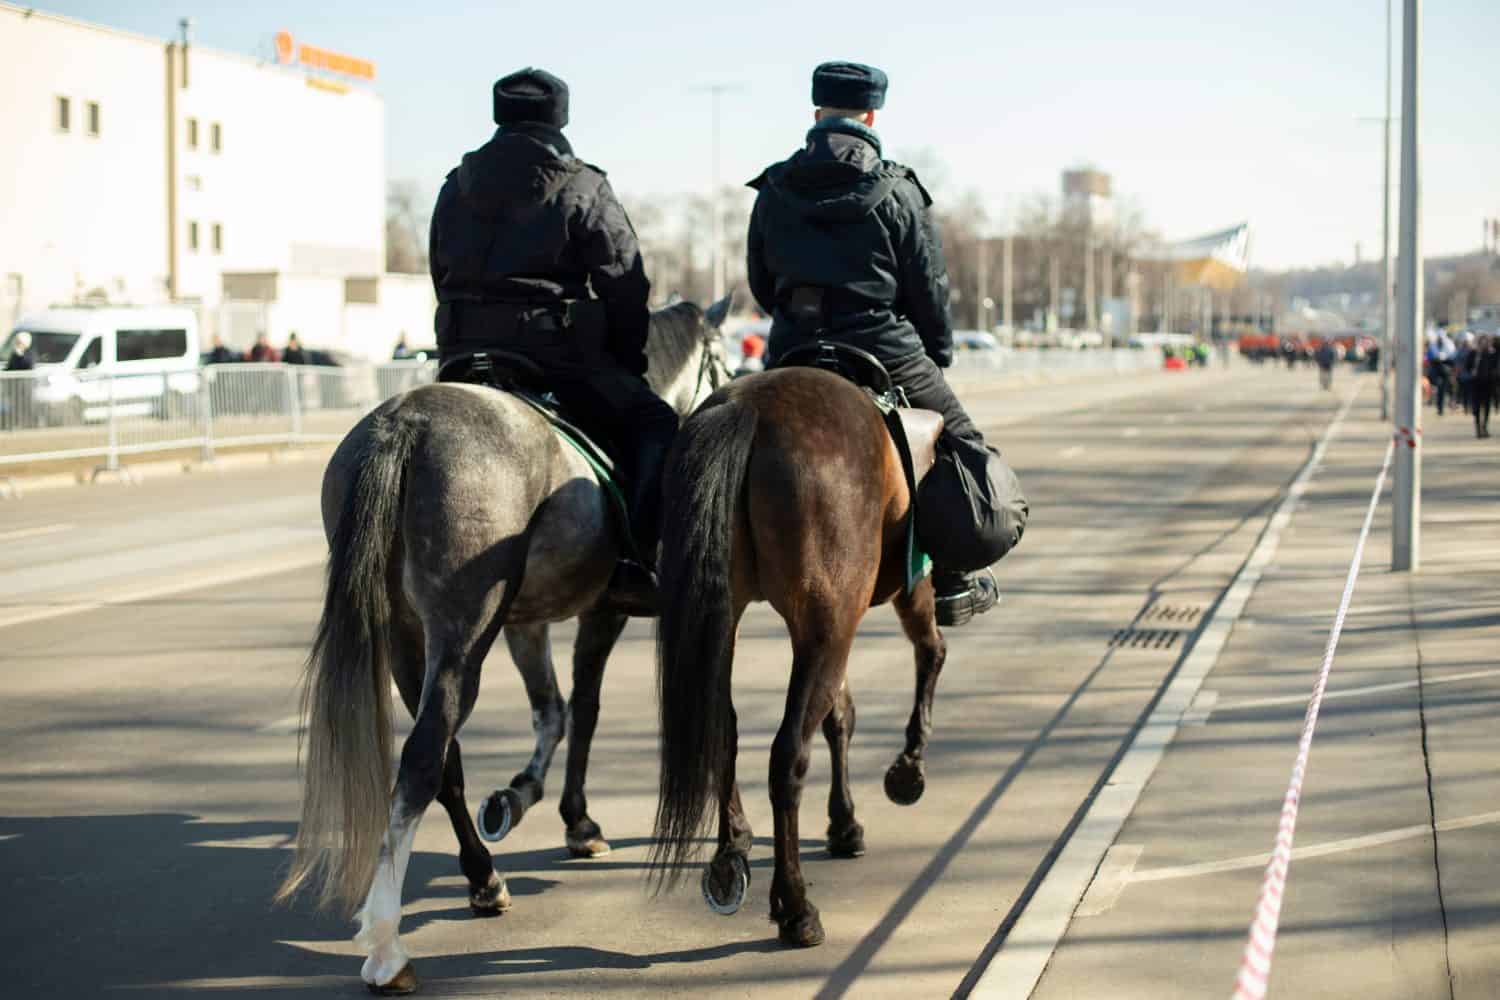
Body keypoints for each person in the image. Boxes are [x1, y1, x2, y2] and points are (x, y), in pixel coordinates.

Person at [745, 60, 1027, 626]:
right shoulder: (899, 190)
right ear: (872, 114)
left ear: (817, 112)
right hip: (881, 345)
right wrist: (935, 360)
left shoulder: (773, 188)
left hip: (792, 344)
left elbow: (759, 281)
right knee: (963, 451)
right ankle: (951, 579)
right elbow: (930, 292)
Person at [429, 67, 678, 600]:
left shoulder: (456, 183)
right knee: (655, 423)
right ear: (559, 118)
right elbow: (625, 285)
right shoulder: (582, 184)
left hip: (462, 351)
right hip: (556, 356)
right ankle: (636, 561)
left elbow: (439, 271)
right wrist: (627, 362)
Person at [1465, 334, 1497, 438]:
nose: (1483, 343)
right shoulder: (1473, 353)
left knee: (1487, 407)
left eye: (1485, 341)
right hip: (1476, 383)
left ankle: (1485, 427)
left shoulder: (1492, 354)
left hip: (1488, 383)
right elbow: (1467, 366)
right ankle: (1478, 428)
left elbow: (1496, 366)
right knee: (1477, 407)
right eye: (1481, 341)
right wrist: (1472, 371)